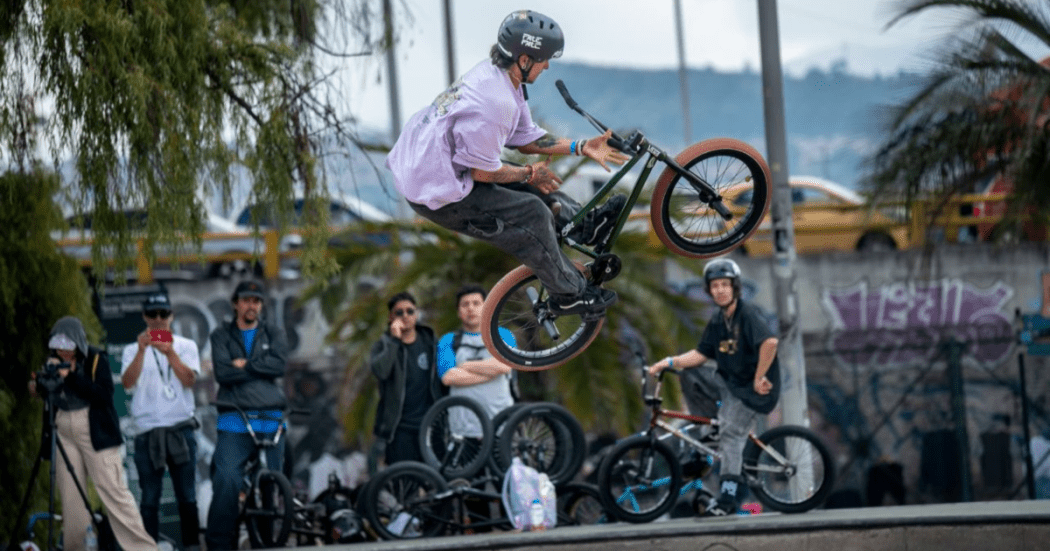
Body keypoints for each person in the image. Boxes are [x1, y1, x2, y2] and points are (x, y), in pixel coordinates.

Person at [386, 9, 630, 318]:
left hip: (444, 166)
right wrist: (529, 173)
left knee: (529, 185)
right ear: (525, 59)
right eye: (544, 59)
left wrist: (580, 147)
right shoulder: (493, 101)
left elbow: (525, 139)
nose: (548, 65)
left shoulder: (504, 78)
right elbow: (483, 172)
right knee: (532, 214)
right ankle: (568, 294)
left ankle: (586, 228)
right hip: (435, 193)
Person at [647, 258, 780, 516]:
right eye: (715, 285)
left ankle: (728, 498)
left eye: (725, 285)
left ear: (735, 288)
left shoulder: (747, 315)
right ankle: (708, 431)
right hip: (729, 383)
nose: (720, 290)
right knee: (688, 372)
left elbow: (770, 344)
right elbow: (700, 354)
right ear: (709, 290)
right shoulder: (719, 321)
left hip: (752, 390)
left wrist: (759, 376)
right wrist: (669, 362)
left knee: (731, 435)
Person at [41, 317, 158, 551]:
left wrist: (71, 377)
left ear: (78, 343)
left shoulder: (95, 358)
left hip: (94, 428)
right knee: (71, 499)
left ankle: (143, 548)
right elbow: (48, 397)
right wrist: (40, 384)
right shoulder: (51, 362)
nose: (63, 351)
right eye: (59, 345)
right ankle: (76, 547)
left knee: (114, 493)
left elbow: (103, 394)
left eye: (68, 345)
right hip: (63, 428)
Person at [205, 280, 289, 550]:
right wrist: (260, 368)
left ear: (261, 305)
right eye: (246, 300)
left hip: (271, 420)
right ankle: (219, 544)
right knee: (227, 479)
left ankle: (265, 543)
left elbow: (279, 367)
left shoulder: (274, 331)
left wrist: (246, 365)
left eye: (256, 300)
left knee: (271, 484)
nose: (251, 305)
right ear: (235, 303)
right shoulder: (221, 335)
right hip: (235, 419)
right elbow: (223, 373)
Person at [120, 292, 201, 550]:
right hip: (147, 431)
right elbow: (127, 383)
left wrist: (170, 354)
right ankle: (148, 547)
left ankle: (191, 546)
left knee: (187, 496)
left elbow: (190, 380)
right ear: (145, 317)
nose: (158, 320)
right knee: (149, 498)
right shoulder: (132, 349)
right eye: (152, 314)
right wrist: (143, 350)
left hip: (180, 428)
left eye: (163, 314)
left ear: (171, 316)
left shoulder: (186, 345)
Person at [369, 291, 444, 465]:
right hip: (400, 429)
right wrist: (395, 341)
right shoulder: (383, 345)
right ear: (390, 317)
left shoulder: (430, 342)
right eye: (399, 312)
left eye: (410, 311)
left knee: (437, 483)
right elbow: (381, 371)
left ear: (416, 314)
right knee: (405, 485)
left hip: (431, 426)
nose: (405, 316)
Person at [437, 284, 517, 433]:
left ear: (486, 307)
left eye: (476, 303)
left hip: (502, 425)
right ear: (458, 312)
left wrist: (465, 366)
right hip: (463, 430)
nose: (470, 308)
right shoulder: (448, 340)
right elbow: (449, 377)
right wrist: (491, 372)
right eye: (465, 304)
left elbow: (505, 366)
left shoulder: (503, 335)